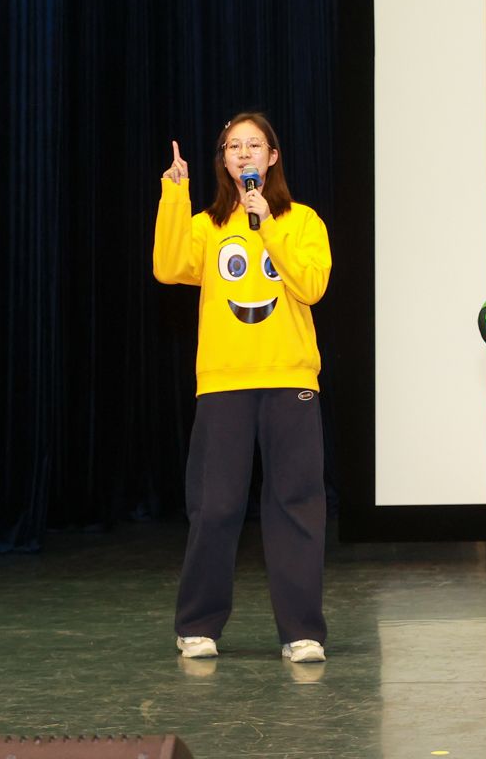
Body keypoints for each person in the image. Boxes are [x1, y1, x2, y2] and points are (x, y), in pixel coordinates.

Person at [154, 112, 332, 664]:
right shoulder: (207, 225)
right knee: (214, 506)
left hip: (289, 379)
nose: (244, 153)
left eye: (255, 145)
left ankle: (301, 632)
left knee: (296, 506)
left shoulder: (302, 221)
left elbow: (311, 284)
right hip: (225, 382)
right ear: (223, 161)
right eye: (234, 146)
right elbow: (168, 266)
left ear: (272, 157)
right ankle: (198, 625)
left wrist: (267, 224)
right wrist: (173, 195)